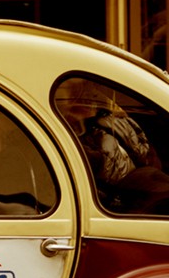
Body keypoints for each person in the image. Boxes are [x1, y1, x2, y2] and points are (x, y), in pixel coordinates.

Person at [55, 78, 169, 212]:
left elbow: (148, 153)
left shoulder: (115, 122)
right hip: (122, 204)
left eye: (86, 89)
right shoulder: (64, 134)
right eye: (74, 91)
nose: (89, 97)